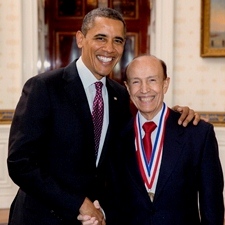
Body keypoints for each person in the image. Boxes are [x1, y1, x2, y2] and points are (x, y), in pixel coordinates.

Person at [7, 8, 200, 225]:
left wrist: (177, 118)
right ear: (81, 39)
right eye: (101, 38)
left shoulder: (118, 95)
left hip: (94, 220)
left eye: (117, 41)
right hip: (41, 218)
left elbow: (121, 157)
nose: (109, 48)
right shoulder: (44, 88)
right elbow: (20, 163)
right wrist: (78, 202)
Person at [79, 55, 224, 225]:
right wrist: (102, 213)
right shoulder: (116, 136)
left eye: (152, 80)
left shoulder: (197, 134)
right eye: (136, 82)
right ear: (127, 87)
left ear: (165, 84)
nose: (144, 89)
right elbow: (113, 196)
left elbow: (212, 205)